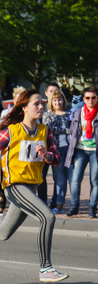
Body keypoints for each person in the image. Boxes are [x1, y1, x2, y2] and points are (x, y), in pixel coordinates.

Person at [0, 90, 68, 282]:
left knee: (2, 233)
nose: (40, 107)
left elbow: (56, 159)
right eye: (36, 104)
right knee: (48, 217)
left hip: (31, 188)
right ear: (24, 108)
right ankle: (46, 268)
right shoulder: (11, 131)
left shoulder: (45, 131)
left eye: (41, 103)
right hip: (14, 186)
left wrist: (47, 155)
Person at [63, 84, 97, 218]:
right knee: (75, 179)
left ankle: (92, 207)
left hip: (95, 151)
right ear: (83, 99)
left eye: (93, 98)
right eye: (87, 98)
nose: (90, 100)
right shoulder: (78, 112)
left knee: (95, 181)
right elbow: (72, 130)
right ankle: (74, 206)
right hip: (80, 150)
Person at [42, 89, 71, 214]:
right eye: (54, 100)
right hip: (56, 150)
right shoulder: (47, 115)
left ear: (63, 100)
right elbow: (50, 129)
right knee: (60, 178)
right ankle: (59, 205)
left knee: (73, 179)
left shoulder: (69, 113)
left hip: (70, 150)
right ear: (51, 102)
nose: (57, 102)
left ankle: (74, 204)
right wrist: (67, 130)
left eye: (59, 100)